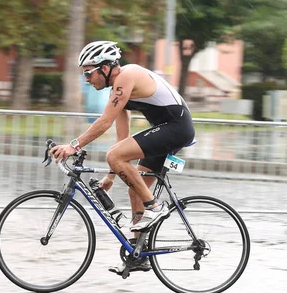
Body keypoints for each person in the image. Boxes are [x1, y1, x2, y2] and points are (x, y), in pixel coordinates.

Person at [50, 40, 195, 273]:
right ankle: (138, 254)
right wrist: (111, 176)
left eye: (88, 73)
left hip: (176, 128)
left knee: (116, 159)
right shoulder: (118, 89)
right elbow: (122, 138)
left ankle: (155, 207)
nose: (87, 79)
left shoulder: (126, 77)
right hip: (168, 128)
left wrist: (73, 146)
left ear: (105, 68)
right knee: (134, 186)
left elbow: (104, 122)